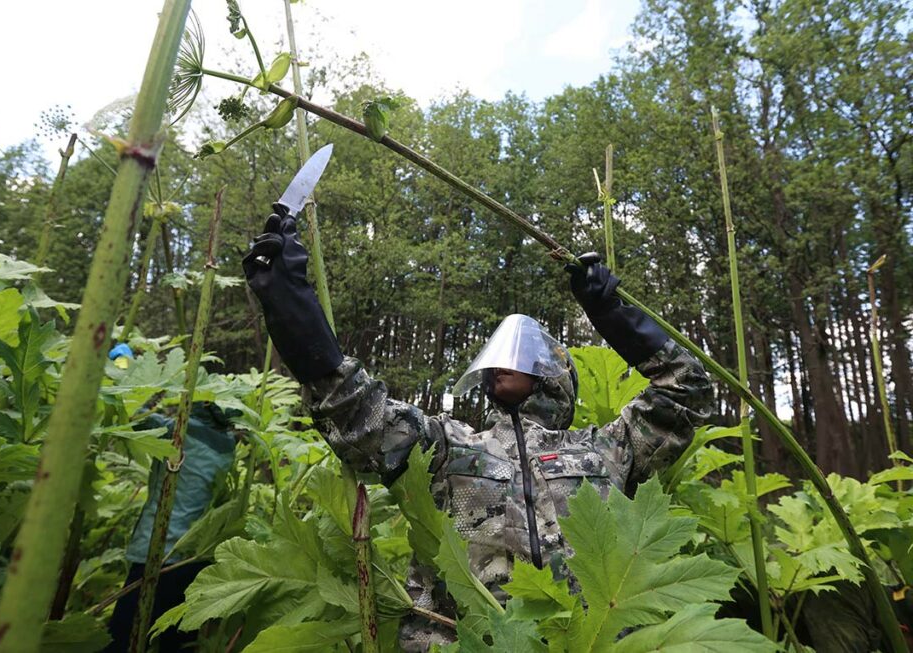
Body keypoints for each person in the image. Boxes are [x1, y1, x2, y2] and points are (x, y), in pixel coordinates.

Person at [243, 214, 713, 651]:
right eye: (500, 356)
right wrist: (291, 306)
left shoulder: (605, 449)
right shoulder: (451, 447)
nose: (504, 362)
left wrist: (611, 314)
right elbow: (359, 415)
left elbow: (686, 388)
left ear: (556, 377)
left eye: (526, 355)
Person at [104, 345, 240, 653]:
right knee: (176, 642)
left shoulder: (178, 434)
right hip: (192, 555)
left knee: (120, 638)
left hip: (157, 552)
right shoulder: (227, 447)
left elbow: (131, 407)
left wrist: (122, 361)